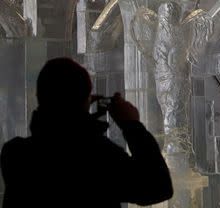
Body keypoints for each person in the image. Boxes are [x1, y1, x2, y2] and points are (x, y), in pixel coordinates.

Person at [0, 58, 173, 207]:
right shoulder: (99, 157)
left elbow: (60, 139)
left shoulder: (15, 154)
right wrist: (132, 125)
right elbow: (158, 187)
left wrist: (84, 118)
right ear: (86, 99)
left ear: (39, 96)